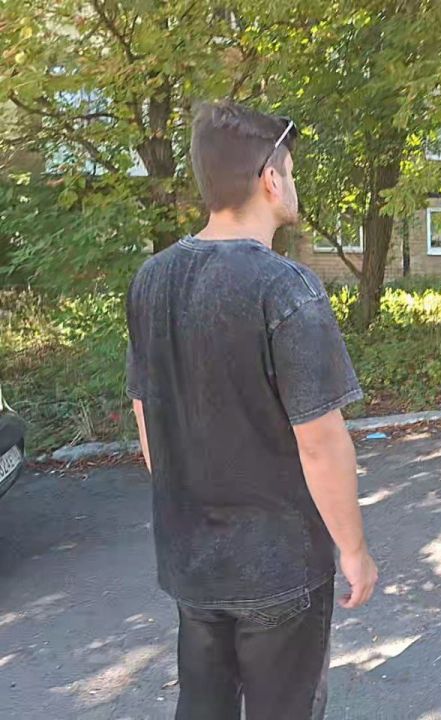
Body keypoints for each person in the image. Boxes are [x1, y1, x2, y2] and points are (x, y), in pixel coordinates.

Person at [125, 101, 378, 720]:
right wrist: (353, 549)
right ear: (270, 179)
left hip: (191, 560)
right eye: (290, 172)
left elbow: (146, 417)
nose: (292, 183)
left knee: (203, 706)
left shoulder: (151, 279)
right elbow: (321, 442)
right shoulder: (285, 286)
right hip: (280, 568)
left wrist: (194, 514)